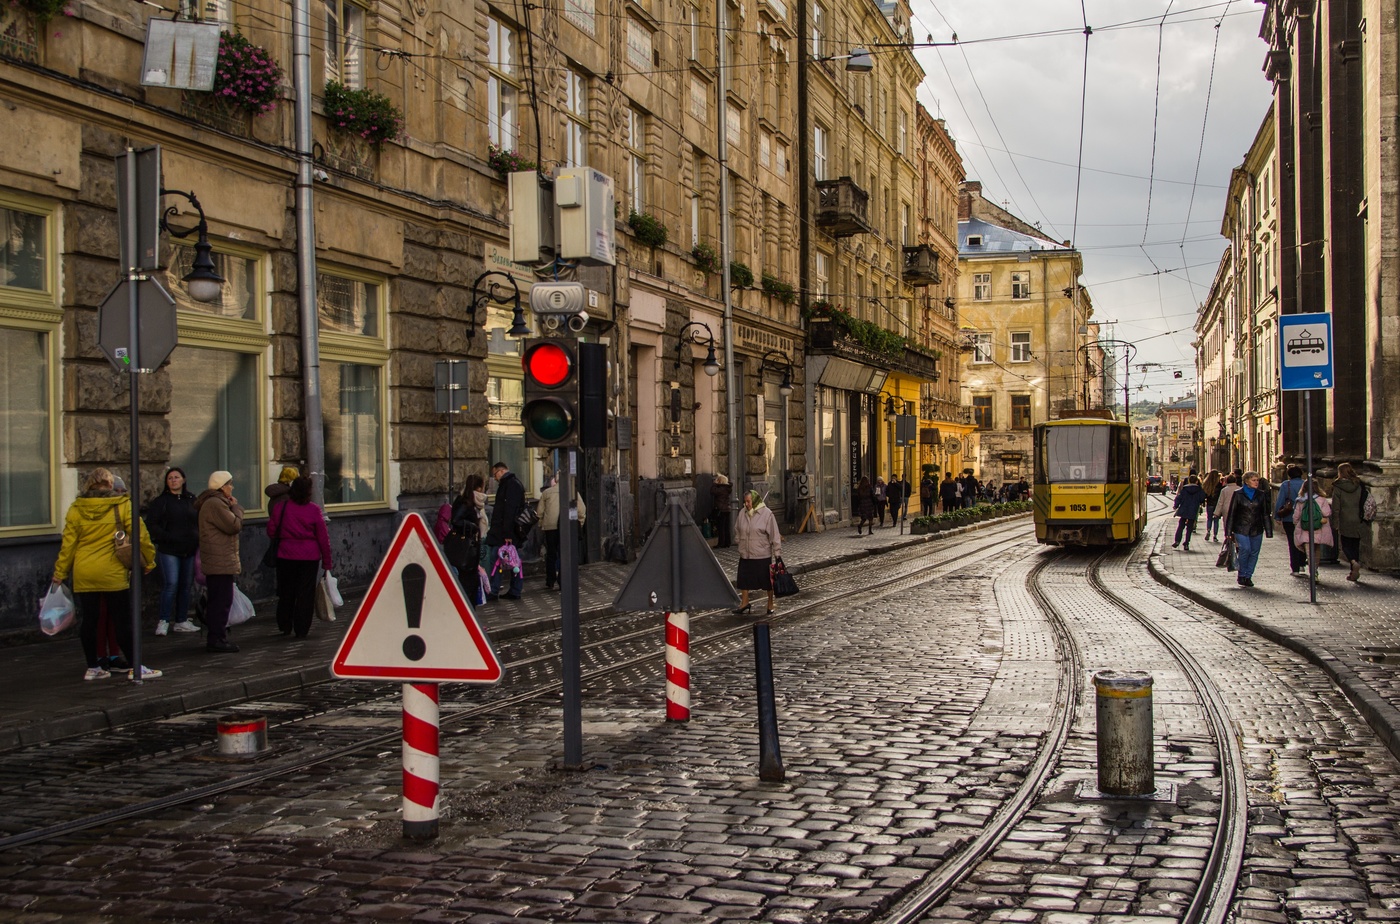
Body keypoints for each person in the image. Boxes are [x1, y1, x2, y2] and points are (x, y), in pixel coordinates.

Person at [51, 468, 160, 681]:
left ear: (89, 484)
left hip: (84, 571)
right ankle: (135, 667)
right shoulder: (122, 505)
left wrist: (60, 572)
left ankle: (93, 667)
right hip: (112, 572)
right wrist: (149, 560)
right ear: (110, 484)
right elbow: (141, 536)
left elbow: (68, 545)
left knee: (90, 620)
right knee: (122, 620)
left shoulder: (76, 508)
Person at [267, 476, 332, 638]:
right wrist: (327, 562)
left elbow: (271, 530)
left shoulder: (281, 507)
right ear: (308, 492)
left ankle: (285, 625)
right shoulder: (314, 510)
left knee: (286, 591)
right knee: (305, 593)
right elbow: (323, 538)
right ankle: (302, 628)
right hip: (309, 557)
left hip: (285, 555)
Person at [144, 466, 202, 637]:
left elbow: (199, 520)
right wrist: (167, 537)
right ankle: (163, 621)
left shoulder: (192, 499)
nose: (173, 480)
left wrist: (196, 537)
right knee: (171, 584)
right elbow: (151, 524)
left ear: (183, 480)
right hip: (169, 549)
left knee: (186, 585)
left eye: (176, 477)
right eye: (170, 478)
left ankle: (181, 620)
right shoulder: (161, 501)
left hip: (189, 549)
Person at [197, 470, 244, 653]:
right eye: (230, 484)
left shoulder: (214, 502)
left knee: (220, 600)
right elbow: (234, 525)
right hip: (219, 561)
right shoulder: (215, 503)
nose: (232, 487)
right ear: (222, 486)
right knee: (221, 602)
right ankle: (217, 638)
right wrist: (237, 508)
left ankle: (217, 636)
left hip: (218, 560)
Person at [733, 490, 781, 616]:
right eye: (745, 502)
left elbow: (774, 534)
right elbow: (737, 528)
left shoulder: (767, 514)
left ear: (754, 500)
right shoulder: (742, 513)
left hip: (762, 554)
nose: (747, 504)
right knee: (743, 579)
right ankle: (744, 602)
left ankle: (770, 603)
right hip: (746, 553)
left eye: (749, 501)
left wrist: (777, 553)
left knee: (767, 582)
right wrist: (739, 540)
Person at [1224, 470, 1273, 588]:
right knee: (1245, 549)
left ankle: (1248, 576)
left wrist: (1269, 530)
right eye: (1253, 480)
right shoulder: (1238, 494)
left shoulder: (1261, 494)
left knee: (1254, 552)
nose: (1256, 482)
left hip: (1257, 527)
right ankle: (1242, 574)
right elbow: (1232, 513)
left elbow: (1265, 513)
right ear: (1246, 481)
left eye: (1257, 480)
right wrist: (1228, 531)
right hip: (1241, 527)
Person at [538, 474, 587, 592]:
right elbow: (581, 510)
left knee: (551, 553)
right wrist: (579, 523)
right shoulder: (572, 493)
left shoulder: (547, 493)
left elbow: (539, 512)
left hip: (550, 527)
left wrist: (542, 524)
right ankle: (562, 581)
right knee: (564, 554)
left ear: (556, 480)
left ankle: (550, 580)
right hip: (566, 526)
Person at [485, 461, 526, 601]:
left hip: (505, 533)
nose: (495, 478)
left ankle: (495, 590)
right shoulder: (510, 484)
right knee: (511, 560)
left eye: (495, 474)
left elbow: (509, 510)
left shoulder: (511, 485)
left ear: (501, 471)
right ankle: (511, 590)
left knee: (499, 559)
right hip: (504, 531)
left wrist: (508, 533)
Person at [446, 474, 487, 587]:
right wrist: (473, 526)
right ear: (479, 488)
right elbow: (456, 520)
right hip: (465, 545)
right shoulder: (465, 502)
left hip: (470, 543)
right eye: (483, 486)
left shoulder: (474, 501)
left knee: (470, 577)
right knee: (467, 578)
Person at [1330, 463, 1367, 582]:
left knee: (1345, 544)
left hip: (1344, 518)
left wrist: (1335, 522)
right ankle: (1353, 571)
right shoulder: (1359, 484)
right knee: (1355, 544)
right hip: (1358, 517)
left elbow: (1336, 507)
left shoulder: (1338, 486)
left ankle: (1353, 562)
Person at [1292, 477, 1334, 580]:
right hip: (1319, 528)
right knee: (1317, 550)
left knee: (1309, 552)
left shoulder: (1300, 500)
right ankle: (1315, 570)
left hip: (1305, 528)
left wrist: (1296, 524)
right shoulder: (1322, 499)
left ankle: (1312, 571)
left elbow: (1296, 516)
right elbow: (1327, 513)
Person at [1274, 465, 1307, 575]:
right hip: (1304, 517)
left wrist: (1277, 516)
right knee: (1303, 540)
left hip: (1289, 518)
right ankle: (1302, 563)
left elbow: (1280, 501)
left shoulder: (1286, 485)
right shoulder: (1306, 483)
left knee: (1292, 542)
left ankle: (1295, 568)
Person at [1171, 474, 1206, 550]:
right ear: (1197, 481)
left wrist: (1176, 506)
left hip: (1184, 509)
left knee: (1181, 526)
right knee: (1189, 528)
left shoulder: (1184, 489)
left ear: (1189, 481)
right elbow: (1202, 498)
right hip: (1193, 509)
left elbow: (1179, 498)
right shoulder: (1199, 489)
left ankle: (1177, 541)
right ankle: (1186, 543)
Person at [710, 473, 733, 548]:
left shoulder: (721, 489)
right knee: (726, 527)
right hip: (727, 509)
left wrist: (714, 484)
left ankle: (721, 543)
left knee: (721, 527)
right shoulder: (727, 488)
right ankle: (727, 542)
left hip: (721, 510)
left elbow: (712, 491)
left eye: (718, 479)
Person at [1201, 471, 1222, 542]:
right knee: (1216, 520)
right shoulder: (1219, 485)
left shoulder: (1207, 485)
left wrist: (1203, 502)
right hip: (1217, 504)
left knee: (1209, 519)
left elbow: (1204, 495)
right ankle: (1215, 536)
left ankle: (1208, 531)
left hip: (1209, 504)